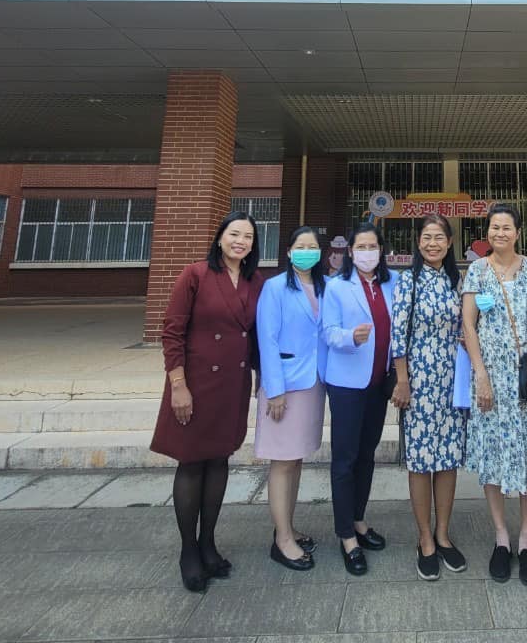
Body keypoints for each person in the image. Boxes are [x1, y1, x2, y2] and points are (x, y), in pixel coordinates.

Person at [150, 211, 264, 593]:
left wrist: (265, 377)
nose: (240, 241)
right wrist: (178, 384)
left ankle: (209, 543)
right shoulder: (195, 274)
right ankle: (188, 551)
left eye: (248, 237)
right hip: (196, 383)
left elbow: (258, 336)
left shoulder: (254, 281)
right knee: (192, 462)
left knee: (219, 460)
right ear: (220, 238)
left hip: (232, 383)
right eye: (234, 234)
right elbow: (172, 331)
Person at [461, 203, 527, 587]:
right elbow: (468, 325)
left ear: (518, 232)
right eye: (494, 227)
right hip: (491, 379)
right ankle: (502, 537)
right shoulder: (477, 271)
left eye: (506, 227)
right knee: (493, 454)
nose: (500, 233)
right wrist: (481, 376)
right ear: (488, 233)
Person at [389, 214, 468, 581]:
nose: (432, 243)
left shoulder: (458, 281)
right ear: (417, 242)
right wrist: (402, 381)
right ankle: (424, 538)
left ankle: (443, 532)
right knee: (421, 462)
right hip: (419, 383)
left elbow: (467, 328)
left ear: (449, 243)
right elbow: (397, 335)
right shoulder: (408, 281)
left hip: (452, 384)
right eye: (426, 237)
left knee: (448, 459)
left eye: (439, 237)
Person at [319, 222, 399, 576]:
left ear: (381, 251)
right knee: (345, 459)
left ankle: (359, 519)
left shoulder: (391, 283)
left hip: (379, 382)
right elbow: (328, 332)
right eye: (361, 247)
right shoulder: (336, 287)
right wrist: (351, 336)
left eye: (373, 246)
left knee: (367, 456)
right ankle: (345, 535)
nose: (368, 252)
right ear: (350, 252)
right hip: (348, 384)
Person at [255, 225, 326, 571]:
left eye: (313, 246)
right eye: (301, 246)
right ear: (289, 251)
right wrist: (275, 390)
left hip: (313, 386)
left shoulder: (323, 286)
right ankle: (281, 540)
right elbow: (266, 340)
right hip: (285, 387)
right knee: (281, 462)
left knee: (295, 459)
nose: (307, 251)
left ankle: (289, 528)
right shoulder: (274, 288)